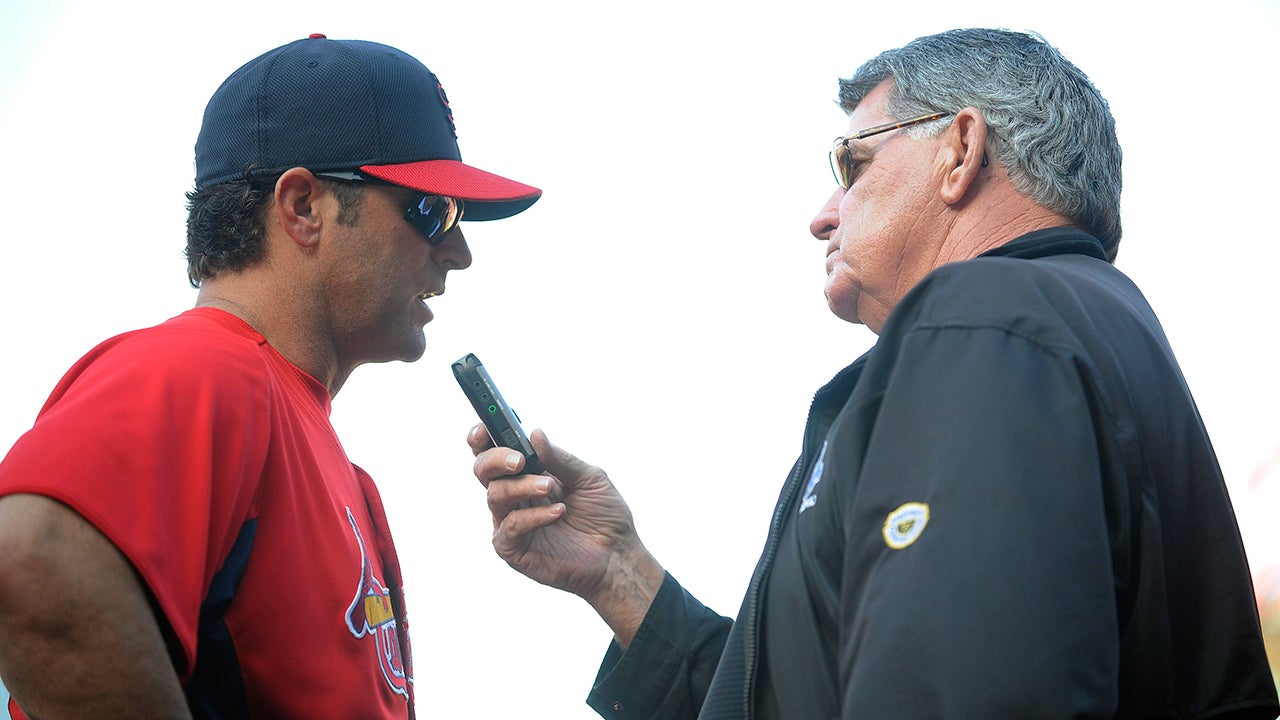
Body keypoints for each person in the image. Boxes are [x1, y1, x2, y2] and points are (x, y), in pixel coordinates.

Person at [470, 28, 1280, 719]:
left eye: (851, 163)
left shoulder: (988, 318)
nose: (822, 213)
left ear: (961, 150)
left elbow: (954, 693)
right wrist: (617, 572)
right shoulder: (1058, 327)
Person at [0, 34, 540, 719]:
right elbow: (30, 559)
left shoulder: (325, 458)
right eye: (431, 211)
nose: (457, 253)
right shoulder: (207, 369)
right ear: (303, 207)